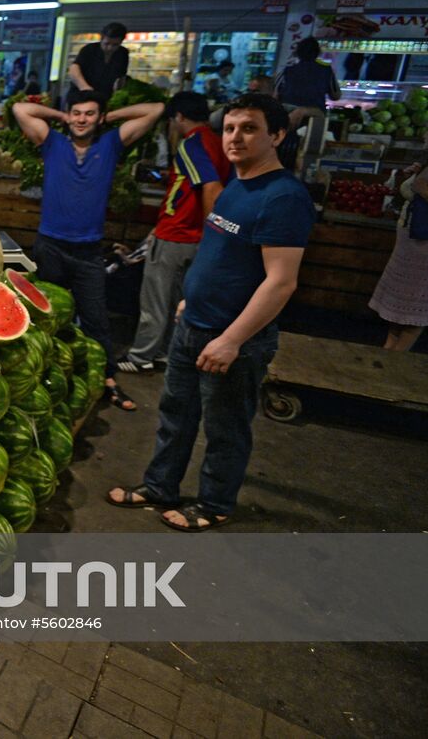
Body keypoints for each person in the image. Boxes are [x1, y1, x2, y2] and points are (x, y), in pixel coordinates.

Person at [107, 93, 315, 531]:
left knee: (225, 430)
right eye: (230, 128)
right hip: (193, 326)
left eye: (250, 128)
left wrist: (232, 340)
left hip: (232, 339)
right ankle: (159, 486)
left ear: (277, 135)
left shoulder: (283, 197)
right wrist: (190, 300)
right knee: (174, 418)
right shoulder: (238, 183)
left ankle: (215, 503)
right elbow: (220, 251)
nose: (235, 137)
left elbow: (281, 281)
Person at [12, 91, 165, 411]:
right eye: (77, 113)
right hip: (50, 246)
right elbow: (20, 109)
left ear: (99, 118)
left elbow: (155, 108)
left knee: (96, 319)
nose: (82, 119)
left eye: (90, 114)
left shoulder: (110, 145)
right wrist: (60, 115)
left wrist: (111, 116)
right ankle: (42, 379)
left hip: (88, 252)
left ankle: (106, 380)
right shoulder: (52, 142)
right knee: (45, 318)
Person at [117, 93, 232, 374]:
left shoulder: (192, 143)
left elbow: (210, 187)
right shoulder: (219, 143)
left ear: (178, 116)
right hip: (190, 237)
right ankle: (166, 352)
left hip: (177, 234)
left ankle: (141, 356)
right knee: (175, 302)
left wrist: (212, 235)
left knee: (154, 301)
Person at [369, 160, 428, 350]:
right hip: (413, 241)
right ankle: (393, 352)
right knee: (411, 302)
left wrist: (419, 184)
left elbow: (418, 186)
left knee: (416, 303)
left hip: (419, 242)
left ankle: (394, 353)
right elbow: (415, 187)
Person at [274, 38, 339, 169]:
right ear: (317, 53)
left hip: (288, 120)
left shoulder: (287, 71)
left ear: (297, 53)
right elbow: (336, 95)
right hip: (314, 121)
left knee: (283, 156)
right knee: (308, 158)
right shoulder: (326, 71)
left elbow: (274, 95)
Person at [68, 22, 129, 104]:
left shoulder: (123, 53)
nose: (110, 48)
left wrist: (118, 93)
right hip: (81, 95)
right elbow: (74, 69)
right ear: (101, 39)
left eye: (115, 45)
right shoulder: (89, 49)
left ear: (121, 42)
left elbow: (121, 77)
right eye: (106, 44)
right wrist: (85, 88)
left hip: (105, 97)